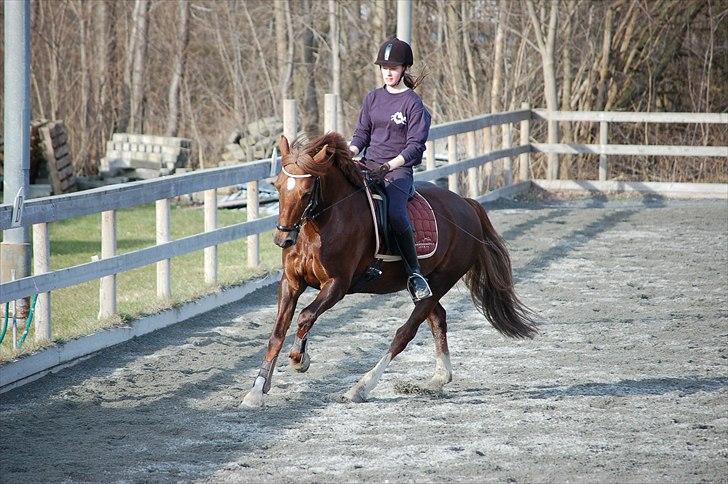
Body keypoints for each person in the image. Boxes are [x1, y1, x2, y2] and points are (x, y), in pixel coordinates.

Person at [348, 36, 433, 303]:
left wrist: (389, 166)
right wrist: (349, 152)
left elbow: (415, 147)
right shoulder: (372, 98)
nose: (388, 72)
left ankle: (414, 274)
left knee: (396, 214)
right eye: (384, 67)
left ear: (404, 69)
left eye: (393, 67)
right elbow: (361, 134)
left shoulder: (412, 104)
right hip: (369, 165)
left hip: (398, 171)